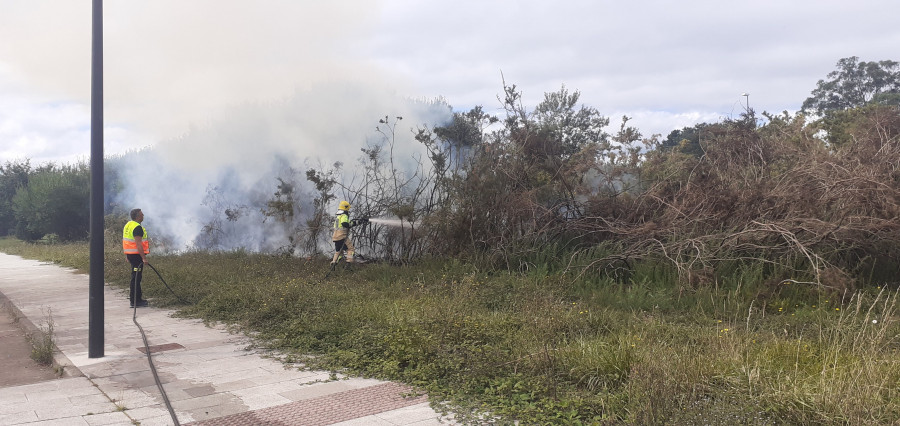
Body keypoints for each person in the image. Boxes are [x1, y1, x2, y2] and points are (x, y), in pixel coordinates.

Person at [123, 208, 150, 308]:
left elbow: (127, 242)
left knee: (135, 277)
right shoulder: (137, 227)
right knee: (136, 278)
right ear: (138, 216)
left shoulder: (128, 225)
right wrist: (144, 258)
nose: (143, 216)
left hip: (131, 255)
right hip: (136, 256)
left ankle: (137, 300)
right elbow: (138, 244)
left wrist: (127, 255)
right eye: (142, 214)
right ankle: (135, 301)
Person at [331, 200, 366, 265]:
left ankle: (334, 263)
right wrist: (353, 224)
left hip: (335, 238)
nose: (348, 210)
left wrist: (357, 222)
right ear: (346, 208)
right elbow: (345, 224)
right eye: (348, 209)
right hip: (342, 236)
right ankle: (348, 263)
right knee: (350, 249)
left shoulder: (338, 217)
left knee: (338, 251)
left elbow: (347, 223)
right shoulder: (344, 215)